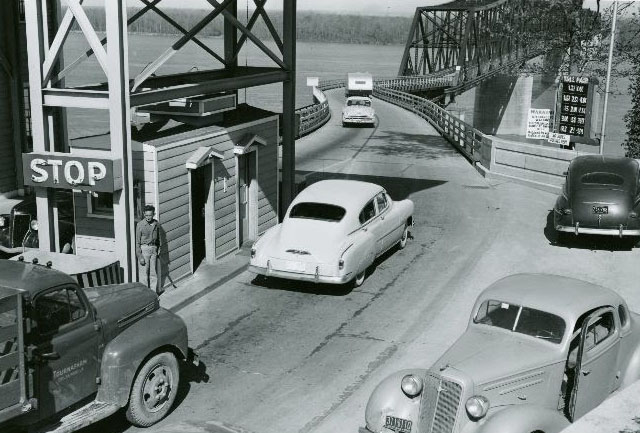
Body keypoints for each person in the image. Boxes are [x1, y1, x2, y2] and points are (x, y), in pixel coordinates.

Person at [136, 205, 162, 293]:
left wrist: (158, 249)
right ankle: (145, 295)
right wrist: (140, 256)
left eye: (150, 215)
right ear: (144, 214)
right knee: (144, 274)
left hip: (153, 249)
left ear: (153, 214)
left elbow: (159, 238)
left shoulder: (156, 224)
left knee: (153, 273)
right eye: (146, 215)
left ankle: (153, 293)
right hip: (144, 250)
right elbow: (137, 242)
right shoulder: (140, 225)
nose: (148, 217)